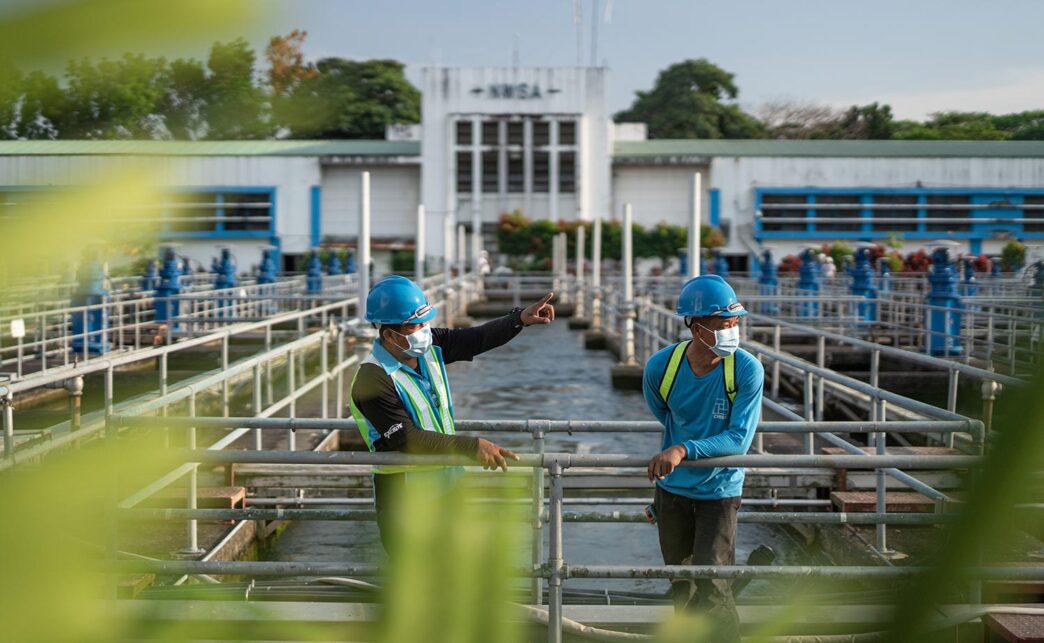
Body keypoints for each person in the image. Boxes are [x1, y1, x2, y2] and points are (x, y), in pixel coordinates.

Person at [349, 275, 555, 553]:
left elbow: (475, 339)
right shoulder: (371, 379)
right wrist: (472, 446)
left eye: (425, 322)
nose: (424, 330)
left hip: (447, 484)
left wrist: (519, 319)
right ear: (388, 334)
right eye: (415, 326)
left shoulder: (428, 347)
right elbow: (406, 439)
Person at [642, 274, 765, 641]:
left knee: (714, 585)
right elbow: (666, 417)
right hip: (673, 492)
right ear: (696, 327)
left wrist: (684, 449)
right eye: (725, 323)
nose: (734, 329)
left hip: (720, 492)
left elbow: (739, 440)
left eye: (736, 321)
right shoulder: (661, 368)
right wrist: (676, 453)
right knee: (682, 585)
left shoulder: (745, 369)